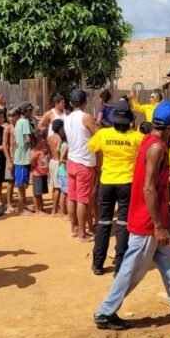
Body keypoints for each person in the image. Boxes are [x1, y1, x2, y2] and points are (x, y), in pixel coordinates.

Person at [94, 100, 170, 331]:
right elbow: (149, 188)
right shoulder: (157, 147)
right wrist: (158, 225)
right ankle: (105, 312)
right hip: (148, 222)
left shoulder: (150, 140)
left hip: (153, 220)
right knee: (131, 271)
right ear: (169, 126)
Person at [87, 100, 142, 275]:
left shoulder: (103, 134)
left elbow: (91, 147)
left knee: (103, 222)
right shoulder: (137, 137)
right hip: (127, 183)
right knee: (123, 225)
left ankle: (97, 263)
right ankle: (120, 266)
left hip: (106, 182)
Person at [65, 89, 98, 241]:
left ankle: (74, 229)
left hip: (71, 161)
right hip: (84, 162)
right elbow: (99, 136)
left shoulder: (67, 118)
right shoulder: (86, 117)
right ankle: (82, 234)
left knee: (72, 197)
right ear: (85, 102)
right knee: (83, 199)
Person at [13, 105, 34, 215]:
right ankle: (21, 209)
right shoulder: (25, 122)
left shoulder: (18, 122)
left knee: (23, 184)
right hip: (22, 157)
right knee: (21, 185)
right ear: (27, 112)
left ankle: (23, 206)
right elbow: (27, 139)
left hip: (20, 157)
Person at [30, 129, 50, 214]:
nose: (46, 140)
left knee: (40, 192)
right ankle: (37, 209)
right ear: (41, 139)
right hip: (37, 174)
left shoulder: (42, 149)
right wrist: (33, 159)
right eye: (45, 138)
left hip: (43, 173)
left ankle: (41, 208)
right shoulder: (34, 151)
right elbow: (31, 163)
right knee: (37, 193)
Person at [48, 119, 65, 216]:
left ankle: (54, 209)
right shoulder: (59, 138)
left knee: (54, 187)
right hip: (57, 162)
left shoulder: (50, 137)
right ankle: (54, 210)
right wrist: (60, 159)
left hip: (52, 162)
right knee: (58, 187)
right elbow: (58, 149)